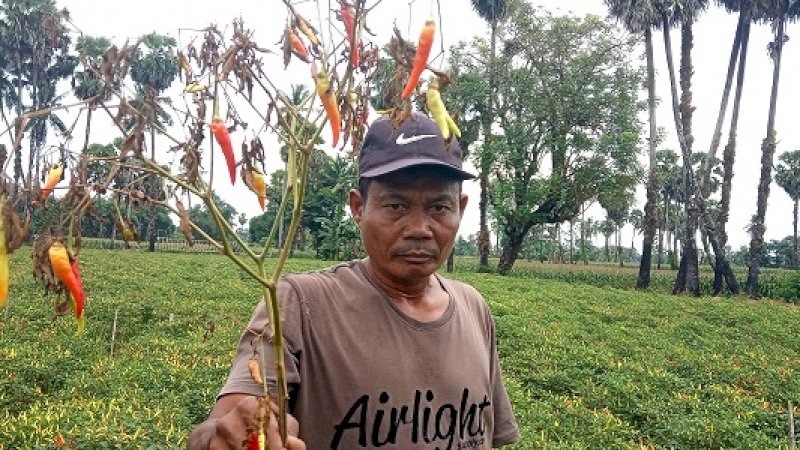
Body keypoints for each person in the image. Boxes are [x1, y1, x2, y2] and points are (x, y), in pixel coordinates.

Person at [187, 112, 520, 449]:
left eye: (439, 207)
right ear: (358, 207)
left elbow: (491, 437)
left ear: (460, 209)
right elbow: (226, 423)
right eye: (396, 205)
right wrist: (222, 436)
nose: (420, 228)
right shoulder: (300, 302)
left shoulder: (474, 306)